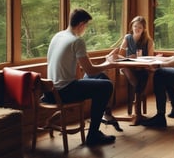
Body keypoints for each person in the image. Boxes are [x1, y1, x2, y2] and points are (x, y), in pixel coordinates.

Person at [46, 8, 119, 146]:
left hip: (50, 91)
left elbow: (89, 70)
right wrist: (109, 63)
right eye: (86, 25)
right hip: (64, 92)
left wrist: (104, 64)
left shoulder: (58, 36)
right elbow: (90, 70)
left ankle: (97, 126)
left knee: (101, 77)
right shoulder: (76, 41)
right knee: (107, 86)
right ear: (81, 24)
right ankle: (93, 136)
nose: (86, 28)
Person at [118, 16, 155, 125]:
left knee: (143, 75)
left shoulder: (148, 41)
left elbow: (151, 58)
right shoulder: (127, 38)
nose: (137, 29)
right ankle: (138, 114)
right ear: (131, 27)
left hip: (142, 68)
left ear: (144, 29)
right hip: (127, 67)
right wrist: (129, 58)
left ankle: (137, 114)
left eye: (139, 27)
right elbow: (119, 55)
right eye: (135, 26)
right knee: (136, 80)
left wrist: (142, 61)